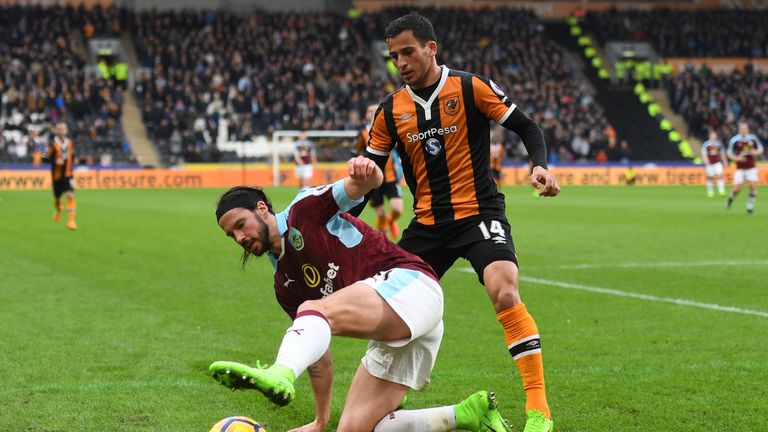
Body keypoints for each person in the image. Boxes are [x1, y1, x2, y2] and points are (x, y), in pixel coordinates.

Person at [357, 12, 560, 432]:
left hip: (480, 214)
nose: (402, 62)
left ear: (432, 48)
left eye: (408, 52)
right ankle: (381, 408)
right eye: (394, 56)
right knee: (388, 313)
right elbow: (367, 178)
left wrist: (540, 165)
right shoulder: (390, 110)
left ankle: (539, 411)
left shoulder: (470, 87)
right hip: (426, 226)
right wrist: (337, 218)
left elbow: (527, 126)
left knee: (504, 291)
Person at [210, 156, 512, 432]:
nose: (239, 238)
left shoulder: (304, 210)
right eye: (231, 235)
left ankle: (280, 372)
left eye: (240, 225)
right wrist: (320, 421)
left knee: (312, 309)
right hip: (395, 328)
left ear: (261, 208)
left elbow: (364, 185)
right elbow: (319, 358)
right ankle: (467, 414)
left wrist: (368, 173)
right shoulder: (283, 285)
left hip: (414, 286)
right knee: (354, 429)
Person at [356, 103, 404, 239]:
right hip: (373, 178)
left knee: (397, 209)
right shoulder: (362, 134)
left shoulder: (389, 128)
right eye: (370, 110)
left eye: (375, 110)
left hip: (390, 176)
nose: (373, 112)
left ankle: (391, 220)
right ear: (366, 114)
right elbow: (355, 151)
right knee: (380, 213)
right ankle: (385, 239)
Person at [726, 121, 764, 214]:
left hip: (751, 167)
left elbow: (761, 149)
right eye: (742, 129)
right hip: (740, 169)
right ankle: (731, 197)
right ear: (739, 130)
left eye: (745, 129)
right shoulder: (734, 140)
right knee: (737, 190)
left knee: (752, 187)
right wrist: (737, 158)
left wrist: (756, 152)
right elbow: (729, 153)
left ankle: (749, 209)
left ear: (747, 129)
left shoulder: (753, 139)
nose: (743, 130)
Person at [48, 122, 77, 230]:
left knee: (70, 195)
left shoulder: (70, 143)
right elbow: (45, 157)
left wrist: (74, 159)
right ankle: (59, 208)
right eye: (59, 129)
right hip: (56, 175)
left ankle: (71, 221)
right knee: (57, 199)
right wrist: (56, 161)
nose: (61, 131)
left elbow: (72, 155)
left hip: (68, 174)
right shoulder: (53, 143)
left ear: (66, 130)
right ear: (56, 131)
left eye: (63, 129)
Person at [701, 130, 727, 197]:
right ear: (710, 137)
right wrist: (706, 160)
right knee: (710, 177)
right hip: (709, 164)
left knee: (720, 175)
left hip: (717, 163)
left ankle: (722, 191)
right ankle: (710, 192)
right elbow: (704, 154)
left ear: (716, 136)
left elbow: (722, 153)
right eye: (712, 136)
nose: (713, 137)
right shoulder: (706, 144)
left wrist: (725, 162)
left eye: (714, 136)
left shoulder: (719, 144)